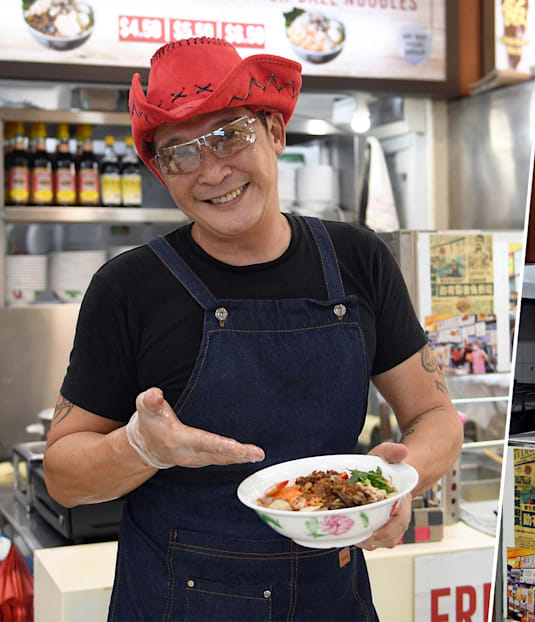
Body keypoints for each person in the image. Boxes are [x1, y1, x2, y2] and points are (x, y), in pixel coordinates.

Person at [42, 37, 462, 622]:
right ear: (162, 173)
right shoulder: (127, 287)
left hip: (329, 597)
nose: (212, 171)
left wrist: (400, 479)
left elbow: (436, 415)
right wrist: (141, 447)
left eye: (229, 135)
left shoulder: (358, 259)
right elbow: (62, 474)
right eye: (180, 153)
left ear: (275, 132)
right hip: (175, 602)